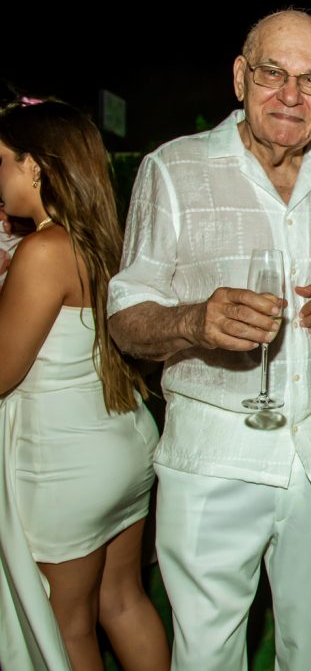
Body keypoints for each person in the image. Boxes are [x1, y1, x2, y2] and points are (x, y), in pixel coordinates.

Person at [107, 10, 311, 670]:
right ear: (239, 76)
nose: (290, 94)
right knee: (206, 657)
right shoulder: (173, 169)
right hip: (212, 455)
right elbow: (126, 315)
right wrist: (192, 321)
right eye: (272, 73)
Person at [0, 100, 169, 671]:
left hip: (65, 465)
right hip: (123, 446)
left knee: (68, 626)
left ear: (35, 167)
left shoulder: (43, 250)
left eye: (1, 161)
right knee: (122, 602)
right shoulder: (102, 242)